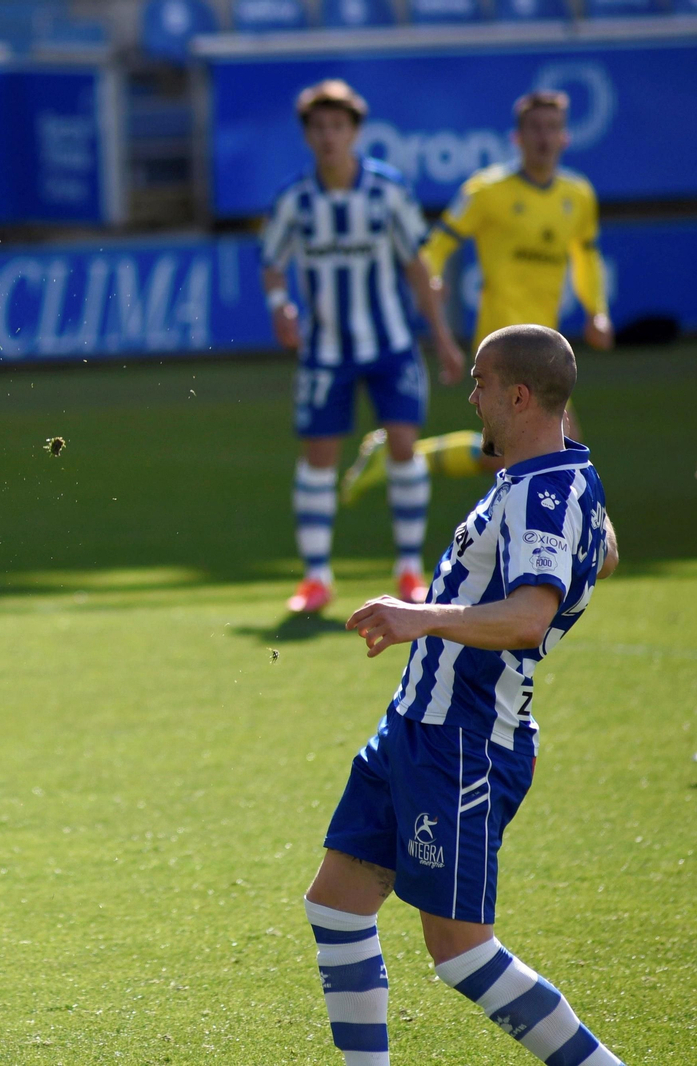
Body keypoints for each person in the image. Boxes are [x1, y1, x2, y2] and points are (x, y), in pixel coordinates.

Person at [304, 324, 622, 1066]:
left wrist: (423, 616)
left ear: (517, 394)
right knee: (336, 904)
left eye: (479, 383)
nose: (470, 395)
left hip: (465, 744)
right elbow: (603, 554)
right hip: (415, 727)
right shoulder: (558, 475)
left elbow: (527, 617)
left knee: (461, 954)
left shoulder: (543, 494)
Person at [344, 90, 611, 504]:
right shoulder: (487, 191)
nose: (543, 136)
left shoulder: (578, 195)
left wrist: (597, 311)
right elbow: (438, 243)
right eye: (534, 128)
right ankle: (521, 545)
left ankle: (412, 460)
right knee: (553, 447)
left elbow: (586, 257)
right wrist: (429, 278)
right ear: (516, 137)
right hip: (501, 335)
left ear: (565, 138)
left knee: (523, 454)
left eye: (552, 128)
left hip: (548, 339)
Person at [261, 80, 464, 615]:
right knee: (319, 458)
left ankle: (409, 568)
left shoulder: (387, 191)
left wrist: (442, 339)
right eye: (318, 127)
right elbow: (272, 261)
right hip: (326, 351)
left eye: (338, 126)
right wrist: (280, 304)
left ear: (354, 132)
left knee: (403, 446)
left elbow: (417, 266)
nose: (328, 136)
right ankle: (316, 577)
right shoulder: (296, 199)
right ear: (307, 135)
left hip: (392, 345)